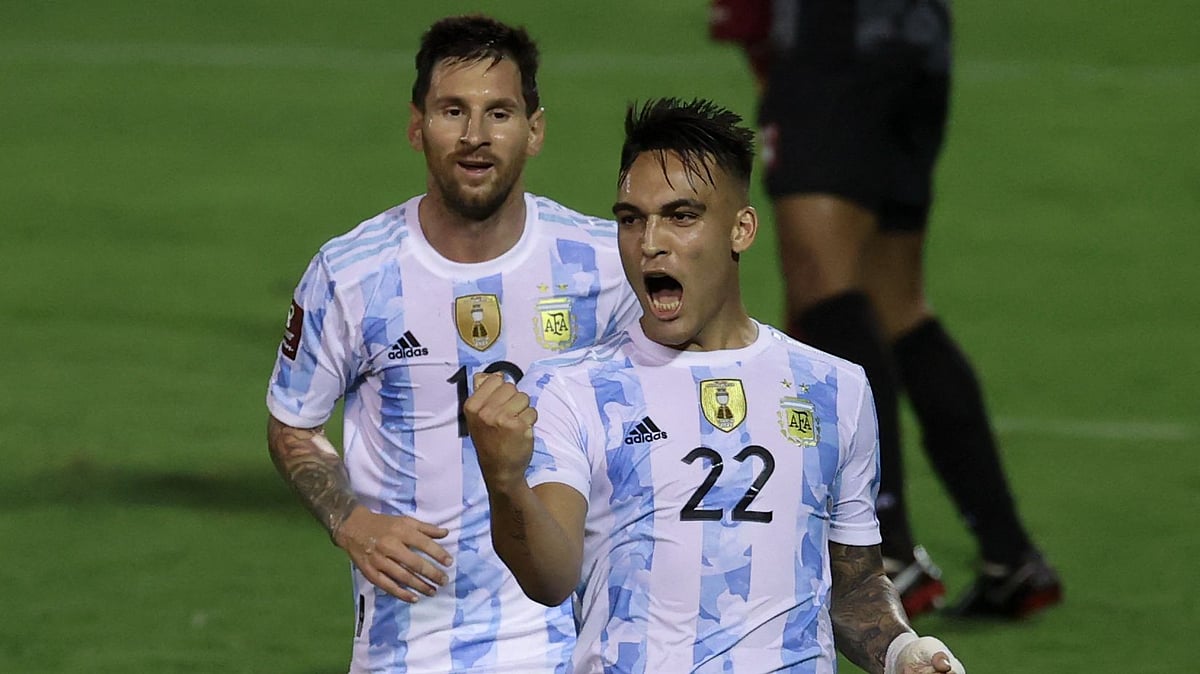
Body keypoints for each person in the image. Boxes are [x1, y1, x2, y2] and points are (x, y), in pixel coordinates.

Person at [465, 98, 965, 673]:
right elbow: (550, 578)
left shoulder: (835, 388)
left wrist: (904, 649)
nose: (650, 241)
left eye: (681, 216)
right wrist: (505, 482)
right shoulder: (574, 391)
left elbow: (853, 587)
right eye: (630, 218)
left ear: (741, 229)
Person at [264, 15, 641, 673]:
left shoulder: (603, 266)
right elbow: (293, 425)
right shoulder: (351, 273)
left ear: (535, 129)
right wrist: (351, 521)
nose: (475, 136)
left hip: (574, 641)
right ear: (417, 127)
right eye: (452, 111)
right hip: (409, 644)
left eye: (499, 112)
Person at [709, 0, 1062, 618]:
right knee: (897, 304)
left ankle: (886, 553)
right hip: (917, 37)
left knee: (826, 289)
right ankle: (1010, 557)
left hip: (836, 41)